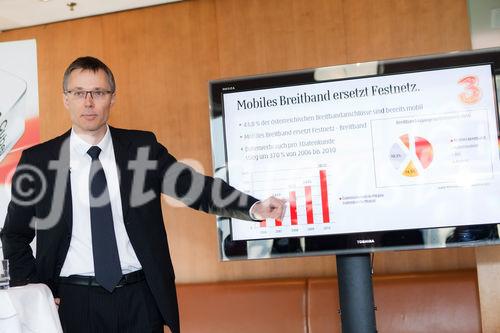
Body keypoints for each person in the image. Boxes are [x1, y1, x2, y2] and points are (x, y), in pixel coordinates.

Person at [0, 56, 285, 333]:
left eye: (98, 92)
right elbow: (14, 234)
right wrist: (35, 290)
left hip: (140, 299)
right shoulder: (37, 160)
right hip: (73, 302)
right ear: (66, 98)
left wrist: (252, 207)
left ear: (112, 98)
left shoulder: (141, 149)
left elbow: (193, 187)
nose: (88, 101)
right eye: (78, 92)